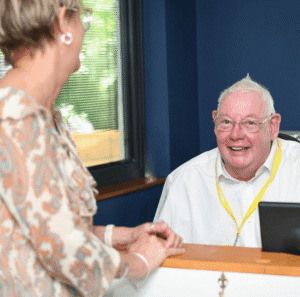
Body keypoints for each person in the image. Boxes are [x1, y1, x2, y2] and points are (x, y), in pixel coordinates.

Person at [0, 1, 185, 296]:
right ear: (63, 23)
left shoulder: (47, 117)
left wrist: (125, 236)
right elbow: (61, 246)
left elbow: (51, 226)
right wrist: (139, 262)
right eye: (84, 18)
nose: (85, 31)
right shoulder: (15, 117)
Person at [154, 74, 300, 248]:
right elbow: (160, 256)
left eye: (250, 123)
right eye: (226, 122)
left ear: (273, 126)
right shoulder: (184, 180)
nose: (236, 135)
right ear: (215, 123)